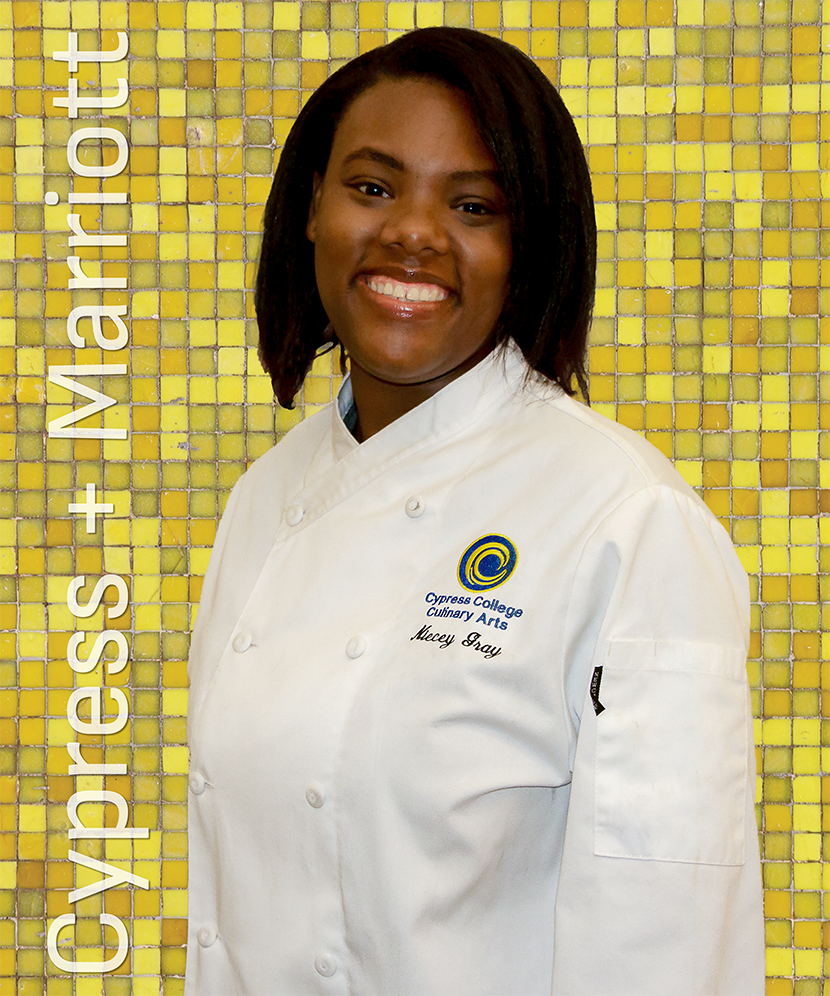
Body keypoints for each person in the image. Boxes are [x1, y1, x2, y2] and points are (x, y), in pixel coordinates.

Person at [185, 27, 764, 996]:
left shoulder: (626, 523)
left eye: (472, 206)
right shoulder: (265, 498)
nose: (412, 233)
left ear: (525, 246)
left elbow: (663, 944)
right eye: (373, 187)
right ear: (311, 210)